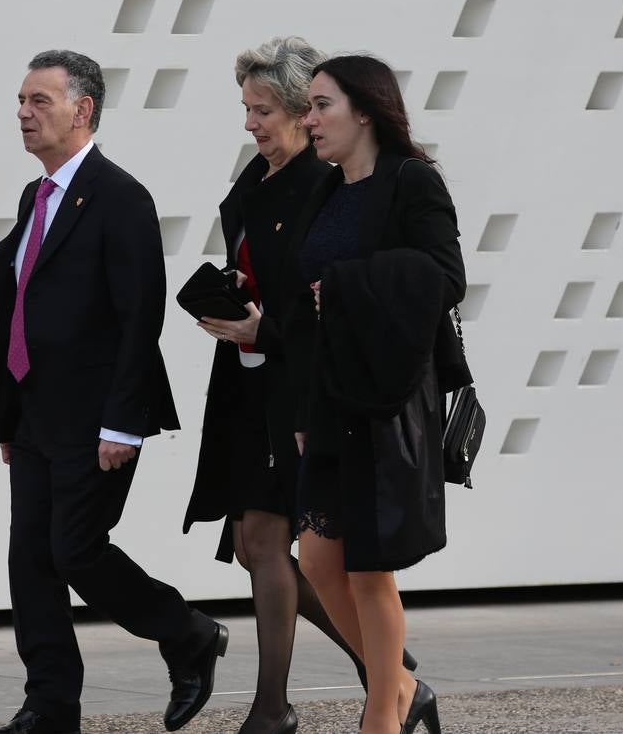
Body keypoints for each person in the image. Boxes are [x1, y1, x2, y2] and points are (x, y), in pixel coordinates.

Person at [0, 50, 227, 734]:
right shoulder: (37, 197)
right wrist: (3, 414)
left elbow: (142, 315)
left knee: (76, 549)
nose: (23, 112)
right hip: (34, 415)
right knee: (31, 561)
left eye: (39, 101)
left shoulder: (119, 198)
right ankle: (49, 708)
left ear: (82, 110)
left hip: (97, 416)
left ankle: (187, 632)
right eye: (20, 100)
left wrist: (123, 422)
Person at [185, 36, 415, 734]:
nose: (250, 124)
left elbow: (324, 300)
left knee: (268, 541)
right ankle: (396, 678)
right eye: (246, 108)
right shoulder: (255, 180)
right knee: (278, 548)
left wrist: (267, 330)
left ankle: (277, 707)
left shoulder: (321, 185)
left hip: (298, 387)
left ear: (299, 113)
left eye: (263, 110)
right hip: (250, 382)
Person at [283, 55, 466, 734]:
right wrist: (304, 409)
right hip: (330, 397)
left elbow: (446, 277)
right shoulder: (326, 190)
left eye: (322, 105)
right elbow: (307, 305)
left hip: (386, 397)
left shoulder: (411, 182)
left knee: (368, 568)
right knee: (319, 560)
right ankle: (405, 687)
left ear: (365, 109)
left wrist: (352, 286)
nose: (310, 120)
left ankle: (380, 721)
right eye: (307, 107)